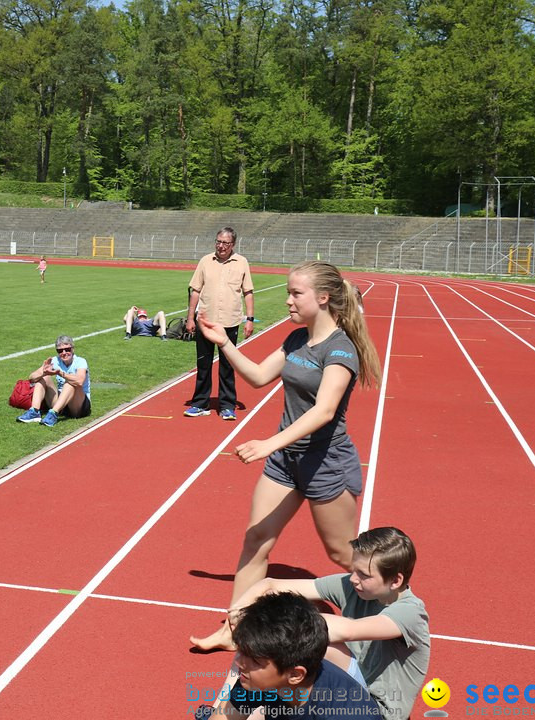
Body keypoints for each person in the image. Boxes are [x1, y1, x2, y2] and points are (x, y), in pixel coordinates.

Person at [190, 260, 382, 651]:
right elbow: (260, 377)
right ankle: (234, 629)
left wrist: (268, 444)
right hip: (286, 461)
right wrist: (223, 343)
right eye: (289, 292)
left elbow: (324, 410)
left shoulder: (340, 350)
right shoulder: (297, 340)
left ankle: (392, 612)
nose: (288, 300)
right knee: (256, 539)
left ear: (323, 298)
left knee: (342, 553)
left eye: (296, 293)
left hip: (324, 461)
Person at [214, 527, 429, 720]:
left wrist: (266, 623)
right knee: (258, 644)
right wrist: (240, 611)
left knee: (284, 643)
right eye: (353, 570)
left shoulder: (410, 613)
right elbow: (270, 585)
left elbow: (347, 630)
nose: (353, 579)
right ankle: (223, 706)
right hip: (351, 679)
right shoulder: (355, 585)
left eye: (364, 575)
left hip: (381, 708)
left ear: (396, 581)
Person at [198, 592, 381, 719]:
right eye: (242, 653)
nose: (239, 662)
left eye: (254, 660)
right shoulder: (256, 679)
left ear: (295, 675)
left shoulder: (347, 714)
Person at [184, 227, 255, 421]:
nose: (221, 246)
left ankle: (227, 405)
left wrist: (249, 319)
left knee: (227, 366)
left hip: (229, 322)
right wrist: (190, 317)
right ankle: (200, 403)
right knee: (203, 364)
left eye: (225, 243)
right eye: (218, 242)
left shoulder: (242, 262)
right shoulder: (205, 261)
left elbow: (248, 292)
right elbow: (195, 290)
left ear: (233, 245)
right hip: (206, 322)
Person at [16, 335, 91, 427]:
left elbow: (80, 381)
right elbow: (31, 378)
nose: (64, 353)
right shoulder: (54, 361)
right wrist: (43, 372)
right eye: (60, 351)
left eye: (67, 349)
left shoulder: (80, 361)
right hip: (61, 403)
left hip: (79, 405)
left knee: (70, 383)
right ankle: (34, 411)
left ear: (73, 349)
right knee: (44, 378)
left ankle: (53, 413)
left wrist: (61, 374)